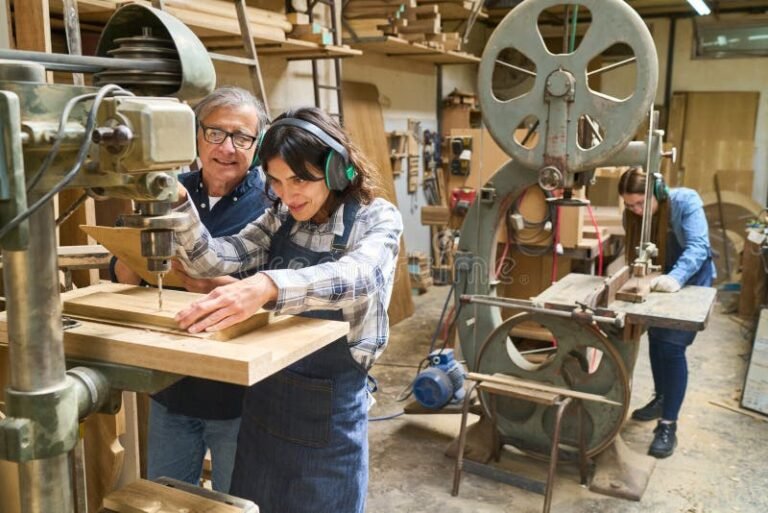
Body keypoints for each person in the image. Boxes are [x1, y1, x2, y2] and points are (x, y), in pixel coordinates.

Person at [171, 106, 403, 513]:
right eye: (276, 181)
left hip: (329, 421)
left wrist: (265, 285)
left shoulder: (376, 219)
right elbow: (214, 258)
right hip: (264, 409)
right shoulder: (281, 218)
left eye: (300, 179)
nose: (287, 194)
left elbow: (359, 277)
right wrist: (179, 204)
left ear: (336, 171)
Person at [110, 86, 271, 491]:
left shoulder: (273, 202)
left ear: (257, 144)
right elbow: (122, 267)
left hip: (241, 395)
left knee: (237, 500)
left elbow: (279, 291)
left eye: (242, 137)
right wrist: (128, 263)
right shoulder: (168, 190)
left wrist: (209, 282)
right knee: (166, 497)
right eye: (215, 133)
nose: (227, 148)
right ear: (197, 135)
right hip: (171, 383)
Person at [619, 167, 714, 458]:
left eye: (640, 203)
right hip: (657, 282)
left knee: (672, 349)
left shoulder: (686, 201)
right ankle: (661, 398)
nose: (635, 211)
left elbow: (699, 247)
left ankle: (668, 425)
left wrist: (676, 277)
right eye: (629, 205)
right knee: (657, 340)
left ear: (658, 193)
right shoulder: (636, 214)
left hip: (690, 279)